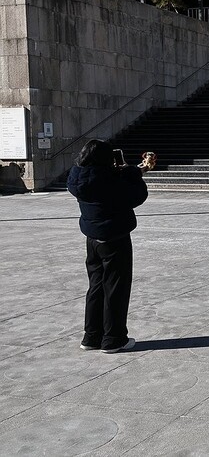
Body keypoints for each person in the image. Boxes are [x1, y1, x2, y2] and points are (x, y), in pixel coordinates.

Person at [67, 140, 150, 353]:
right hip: (114, 237)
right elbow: (137, 195)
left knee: (96, 286)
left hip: (92, 238)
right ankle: (113, 338)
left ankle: (91, 336)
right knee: (116, 288)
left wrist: (124, 172)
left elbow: (106, 183)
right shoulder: (109, 180)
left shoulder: (77, 176)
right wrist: (131, 172)